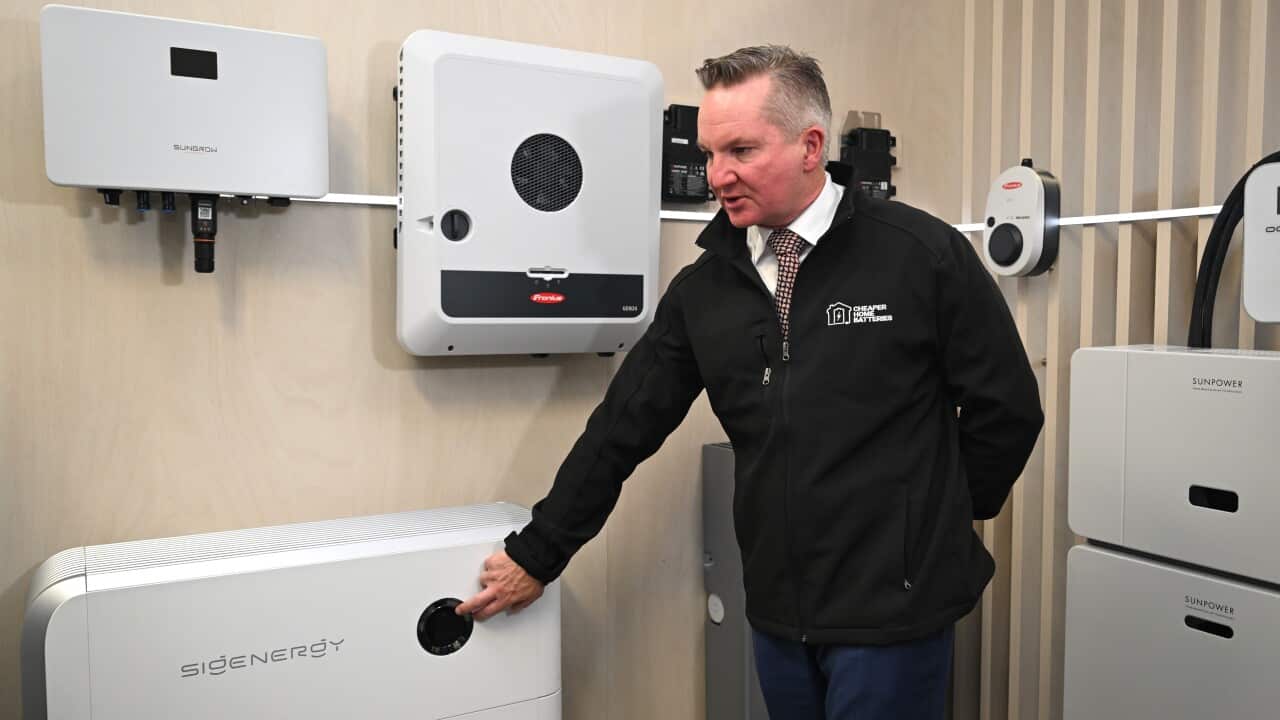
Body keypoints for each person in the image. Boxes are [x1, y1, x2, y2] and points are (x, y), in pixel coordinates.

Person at [457, 44, 1044, 719]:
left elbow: (1008, 408)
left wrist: (933, 522)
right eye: (710, 155)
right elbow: (622, 428)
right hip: (778, 609)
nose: (718, 175)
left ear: (810, 146)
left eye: (740, 150)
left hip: (894, 616)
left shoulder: (921, 254)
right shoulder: (705, 290)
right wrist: (540, 552)